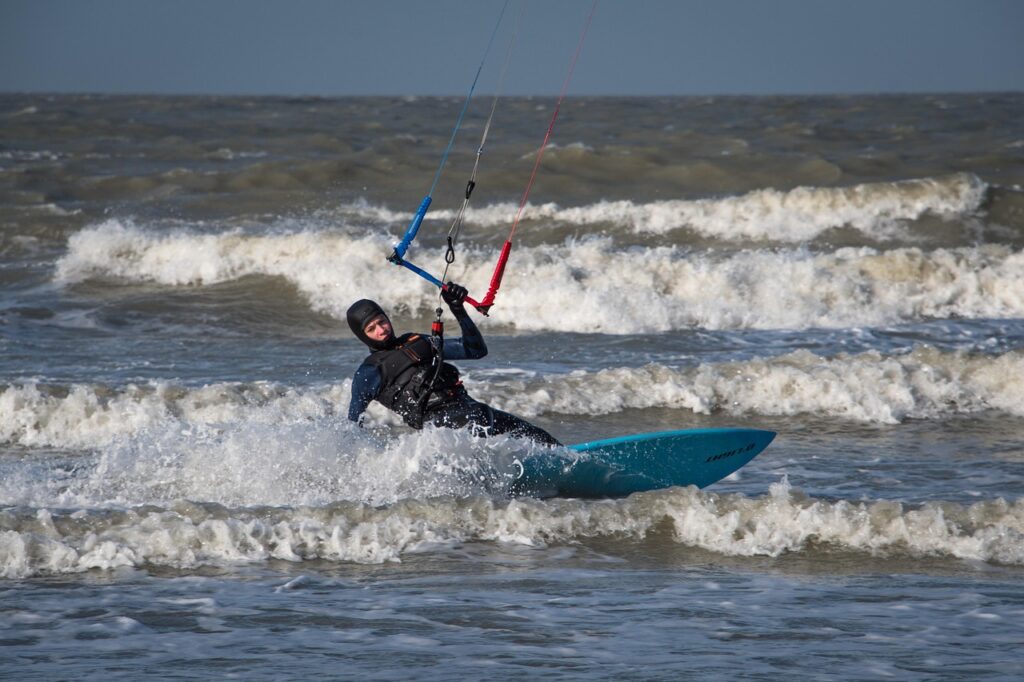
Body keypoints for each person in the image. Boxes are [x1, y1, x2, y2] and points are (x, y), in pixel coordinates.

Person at [346, 282, 561, 447]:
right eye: (372, 328)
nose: (381, 330)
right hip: (441, 430)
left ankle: (567, 459)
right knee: (479, 419)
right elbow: (354, 425)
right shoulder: (369, 372)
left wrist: (457, 309)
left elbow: (475, 350)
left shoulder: (417, 342)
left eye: (381, 321)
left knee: (537, 435)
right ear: (362, 336)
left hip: (471, 408)